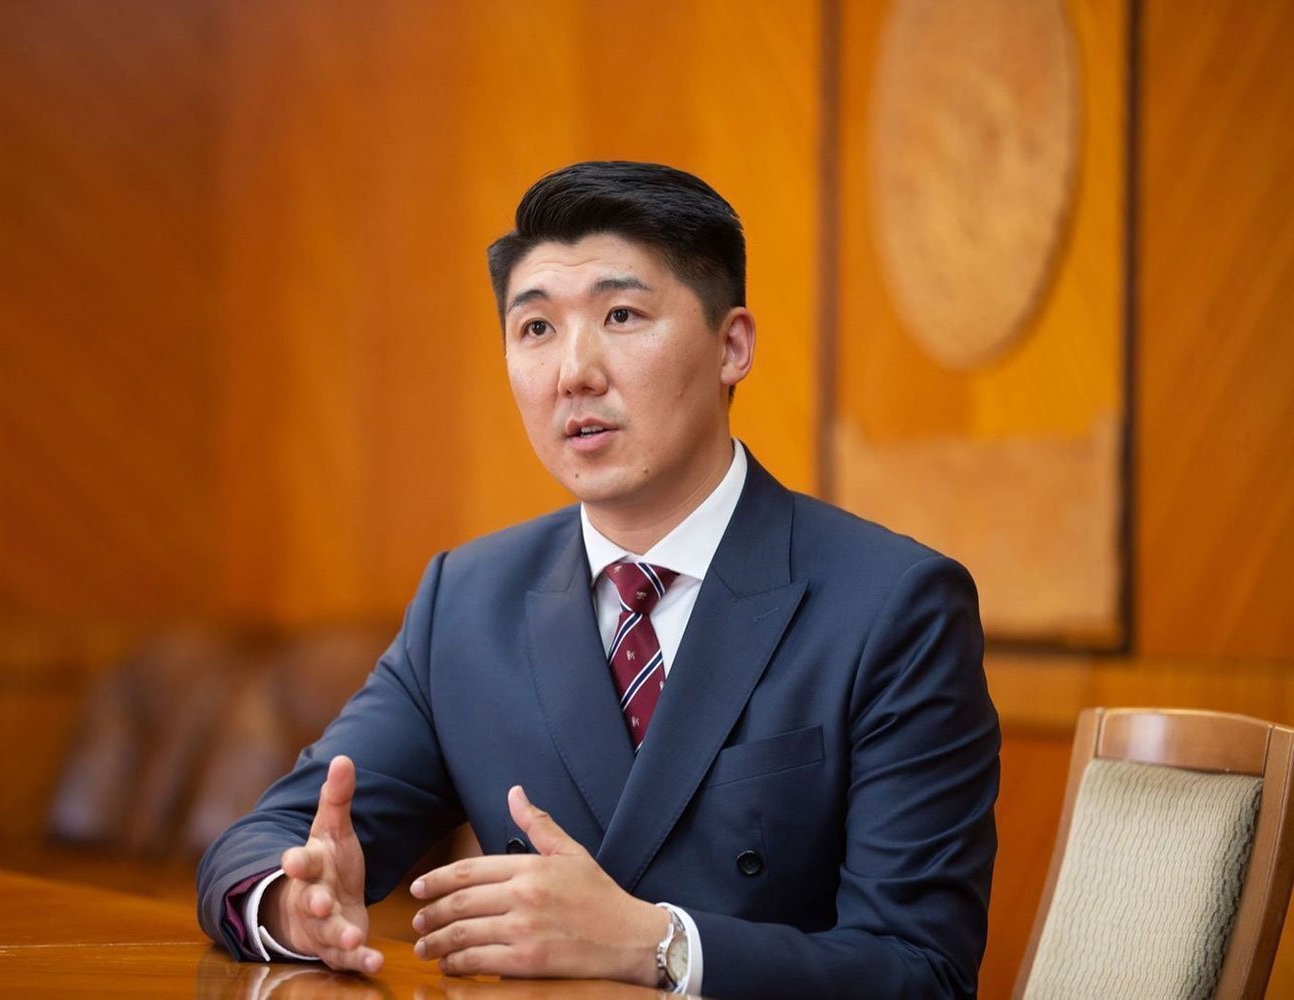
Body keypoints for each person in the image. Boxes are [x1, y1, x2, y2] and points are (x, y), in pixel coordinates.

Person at [197, 161, 1000, 998]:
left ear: (732, 346)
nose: (573, 371)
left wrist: (660, 946)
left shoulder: (895, 605)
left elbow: (923, 971)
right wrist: (292, 901)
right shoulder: (466, 601)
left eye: (621, 315)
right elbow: (266, 839)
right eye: (536, 328)